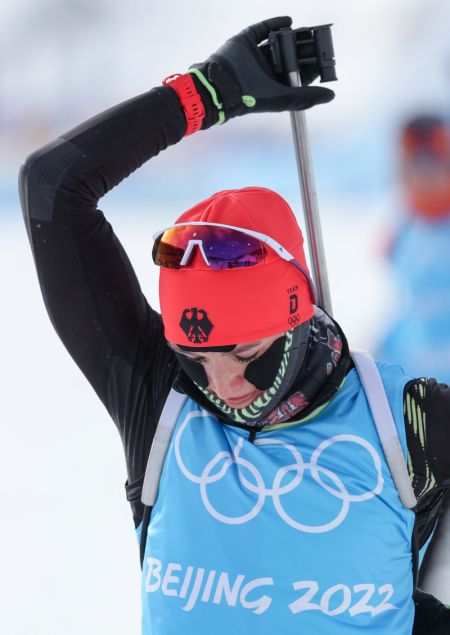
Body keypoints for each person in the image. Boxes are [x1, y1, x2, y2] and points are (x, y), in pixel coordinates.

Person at [19, 16, 450, 635]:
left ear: (298, 315)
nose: (222, 382)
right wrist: (210, 90)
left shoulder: (405, 422)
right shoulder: (159, 398)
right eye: (195, 357)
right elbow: (53, 188)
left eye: (246, 351)